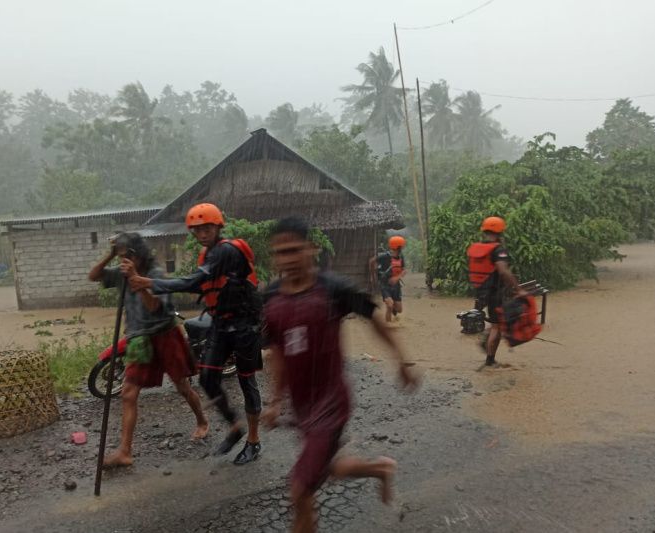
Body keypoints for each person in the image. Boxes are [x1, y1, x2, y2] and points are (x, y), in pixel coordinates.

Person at [261, 216, 420, 533]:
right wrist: (276, 399)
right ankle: (381, 469)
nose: (287, 260)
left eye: (294, 250)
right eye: (280, 253)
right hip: (303, 406)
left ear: (312, 249)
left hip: (332, 404)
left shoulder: (333, 289)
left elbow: (374, 317)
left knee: (301, 490)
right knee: (328, 468)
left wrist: (403, 361)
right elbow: (278, 352)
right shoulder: (270, 298)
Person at [127, 203, 264, 465]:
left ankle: (254, 441)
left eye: (207, 228)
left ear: (218, 227)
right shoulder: (207, 255)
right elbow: (200, 286)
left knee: (247, 381)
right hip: (221, 323)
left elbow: (192, 282)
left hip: (245, 325)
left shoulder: (225, 251)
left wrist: (149, 282)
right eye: (197, 230)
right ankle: (235, 427)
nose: (202, 234)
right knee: (208, 379)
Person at [88, 232, 209, 467]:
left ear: (139, 255)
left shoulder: (155, 275)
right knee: (128, 393)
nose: (125, 260)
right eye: (121, 256)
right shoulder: (122, 273)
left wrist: (137, 280)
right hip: (139, 339)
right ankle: (125, 451)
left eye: (127, 255)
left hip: (165, 336)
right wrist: (110, 255)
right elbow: (93, 276)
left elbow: (154, 306)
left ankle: (202, 421)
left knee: (182, 387)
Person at [466, 216, 525, 367]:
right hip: (495, 293)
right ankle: (490, 361)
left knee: (495, 323)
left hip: (481, 291)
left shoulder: (479, 248)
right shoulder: (498, 249)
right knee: (497, 326)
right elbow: (504, 272)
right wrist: (518, 290)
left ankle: (486, 341)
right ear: (500, 232)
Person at [369, 235, 407, 323]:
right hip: (385, 285)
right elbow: (371, 261)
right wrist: (373, 275)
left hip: (396, 286)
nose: (403, 247)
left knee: (399, 309)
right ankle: (389, 326)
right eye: (402, 246)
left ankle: (393, 308)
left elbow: (404, 270)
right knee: (389, 305)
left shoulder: (401, 257)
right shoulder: (385, 256)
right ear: (398, 247)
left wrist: (396, 278)